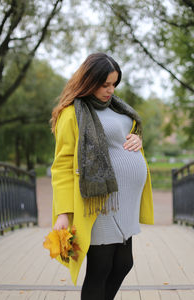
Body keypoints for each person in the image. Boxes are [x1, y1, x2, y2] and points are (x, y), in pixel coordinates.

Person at [50, 52, 154, 300]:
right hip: (97, 202)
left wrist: (138, 138)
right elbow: (62, 165)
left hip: (124, 202)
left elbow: (122, 138)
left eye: (114, 84)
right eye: (104, 84)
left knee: (123, 264)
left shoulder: (118, 107)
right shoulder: (72, 113)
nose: (110, 90)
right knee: (101, 268)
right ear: (88, 81)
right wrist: (63, 213)